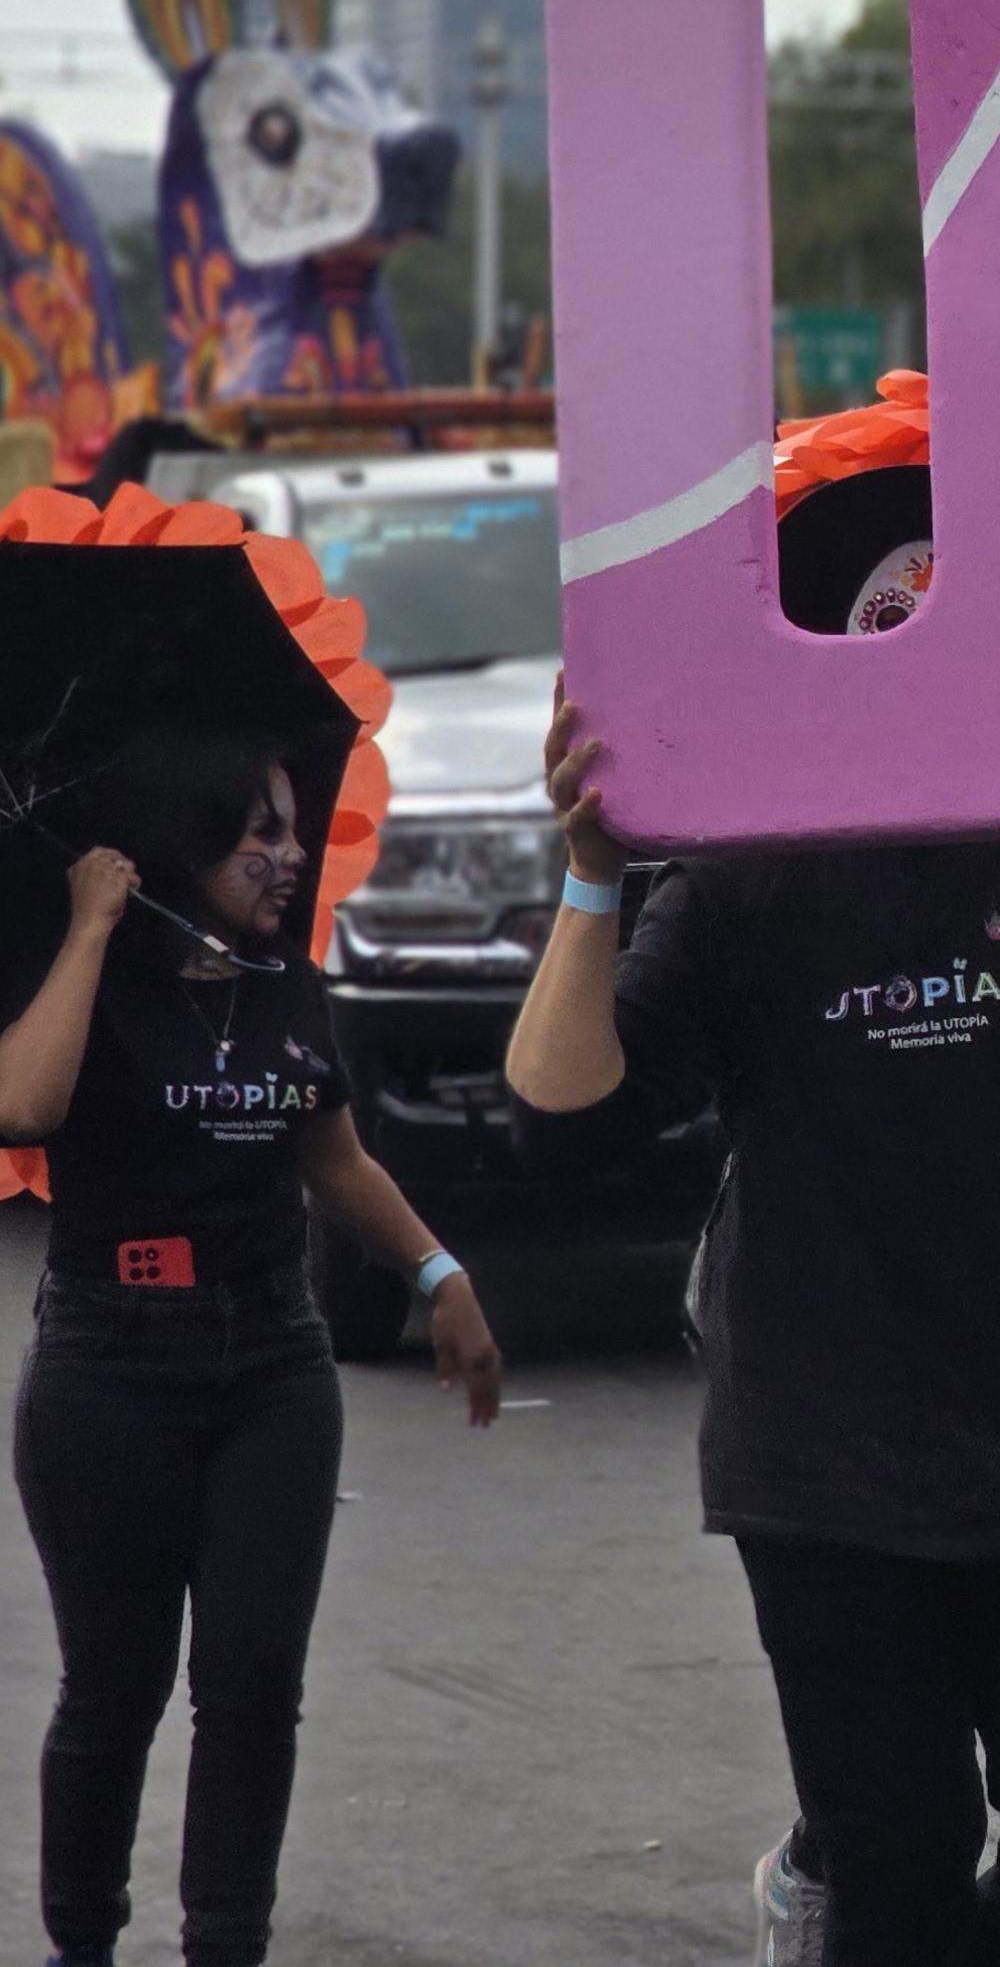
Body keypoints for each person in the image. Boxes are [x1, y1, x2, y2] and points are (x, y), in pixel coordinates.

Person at [509, 653, 1000, 1967]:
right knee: (901, 1859)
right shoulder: (749, 875)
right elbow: (561, 1116)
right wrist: (593, 871)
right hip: (826, 1460)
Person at [0, 735, 505, 1967]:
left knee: (252, 1687)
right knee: (114, 1690)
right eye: (260, 834)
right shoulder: (84, 972)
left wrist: (439, 1274)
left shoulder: (289, 983)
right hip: (108, 1367)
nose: (290, 855)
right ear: (187, 844)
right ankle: (82, 1946)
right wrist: (88, 927)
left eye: (292, 829)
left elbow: (336, 1160)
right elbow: (23, 1109)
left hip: (274, 1361)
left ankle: (226, 1946)